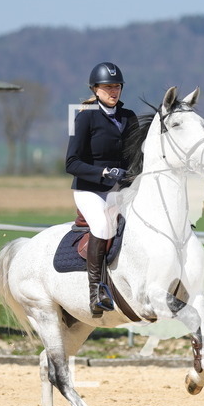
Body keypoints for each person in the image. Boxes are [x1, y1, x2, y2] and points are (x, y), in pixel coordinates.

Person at [65, 61, 137, 316]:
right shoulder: (86, 117)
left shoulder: (129, 117)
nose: (113, 91)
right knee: (104, 226)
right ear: (95, 89)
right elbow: (71, 162)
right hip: (90, 190)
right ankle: (96, 291)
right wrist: (104, 172)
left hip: (121, 189)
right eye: (108, 87)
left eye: (117, 86)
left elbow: (135, 156)